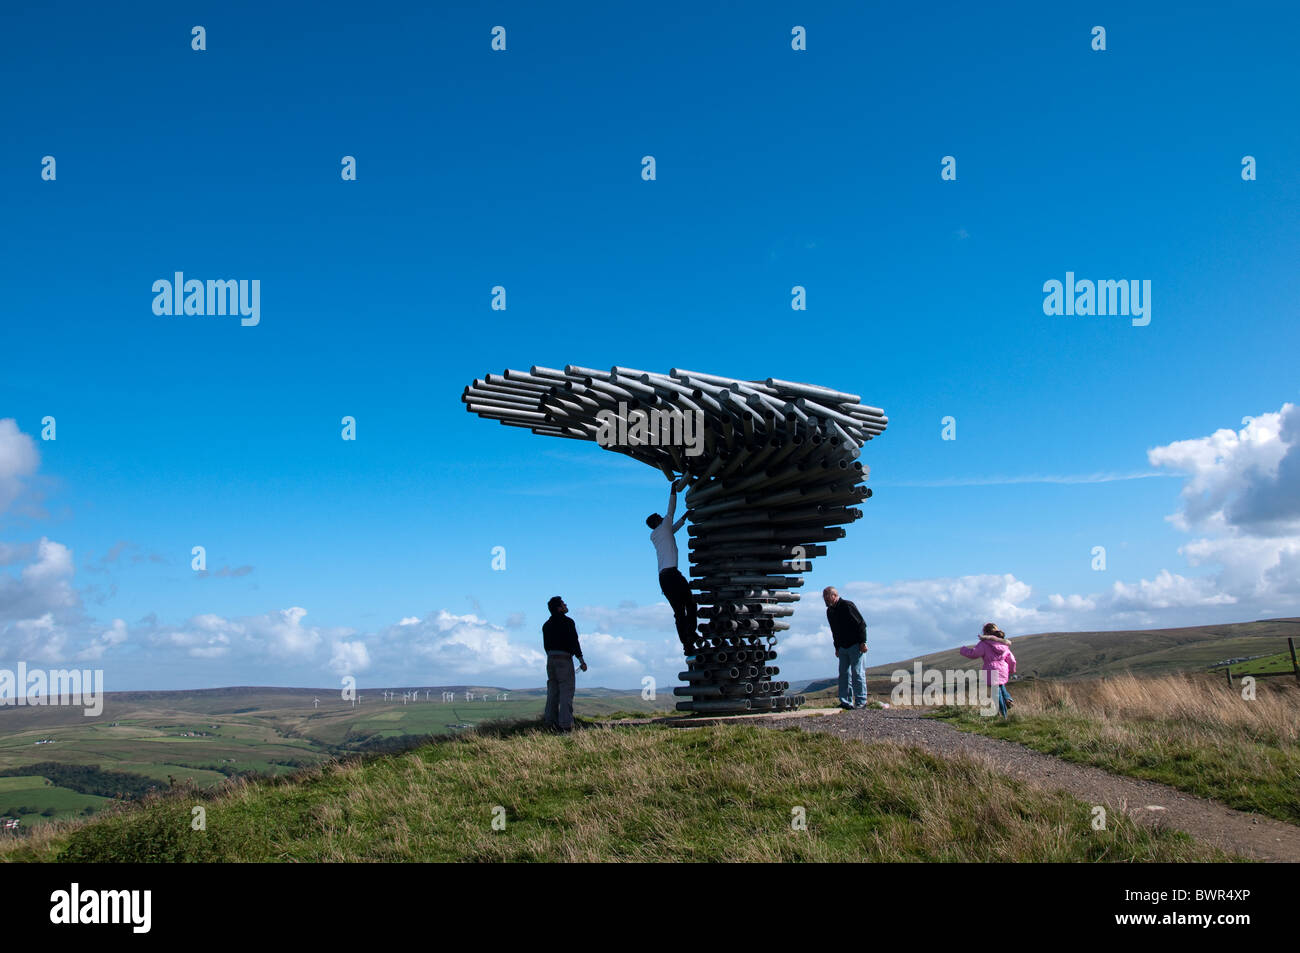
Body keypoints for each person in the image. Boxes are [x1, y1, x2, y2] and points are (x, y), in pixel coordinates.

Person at [646, 478, 699, 654]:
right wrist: (673, 490)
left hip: (664, 578)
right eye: (660, 518)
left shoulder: (657, 534)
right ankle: (691, 634)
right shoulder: (664, 526)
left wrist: (685, 517)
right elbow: (671, 509)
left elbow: (673, 528)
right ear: (658, 521)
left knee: (678, 611)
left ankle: (687, 644)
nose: (663, 517)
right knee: (690, 604)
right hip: (673, 575)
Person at [541, 595, 587, 732]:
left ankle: (550, 723)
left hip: (550, 660)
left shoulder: (546, 625)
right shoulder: (568, 622)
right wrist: (581, 660)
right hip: (564, 659)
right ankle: (565, 725)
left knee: (553, 692)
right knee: (566, 691)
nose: (566, 605)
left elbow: (546, 646)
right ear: (559, 608)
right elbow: (574, 642)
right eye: (563, 604)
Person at [824, 586, 868, 709]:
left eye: (827, 596)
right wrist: (837, 647)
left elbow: (861, 624)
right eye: (824, 597)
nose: (825, 599)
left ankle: (861, 701)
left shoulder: (847, 605)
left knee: (857, 673)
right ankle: (845, 702)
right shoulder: (830, 611)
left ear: (834, 595)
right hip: (842, 647)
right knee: (844, 674)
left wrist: (863, 642)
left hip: (855, 645)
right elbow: (834, 630)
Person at [960, 623, 1017, 717]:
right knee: (1001, 685)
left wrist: (963, 650)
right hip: (1003, 668)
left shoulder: (984, 644)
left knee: (996, 693)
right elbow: (1012, 659)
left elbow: (974, 654)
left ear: (985, 632)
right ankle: (1008, 699)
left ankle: (1003, 716)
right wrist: (1011, 670)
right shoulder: (1004, 644)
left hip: (991, 669)